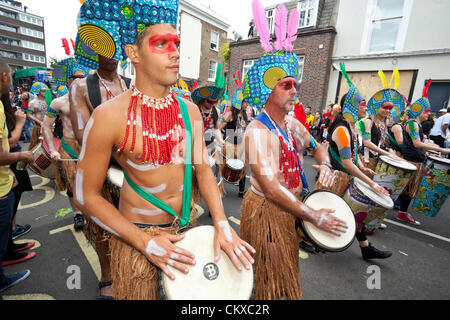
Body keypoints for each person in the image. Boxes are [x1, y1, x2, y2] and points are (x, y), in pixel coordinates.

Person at [74, 0, 254, 300]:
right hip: (137, 238)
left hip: (187, 236)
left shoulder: (190, 111)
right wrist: (145, 243)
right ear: (133, 53)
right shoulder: (107, 116)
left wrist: (222, 224)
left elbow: (203, 172)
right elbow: (84, 194)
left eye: (176, 43)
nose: (175, 52)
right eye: (161, 44)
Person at [240, 1, 346, 300]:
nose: (294, 90)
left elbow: (320, 147)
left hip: (291, 210)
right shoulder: (257, 132)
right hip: (268, 214)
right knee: (272, 282)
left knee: (284, 277)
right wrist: (314, 216)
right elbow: (272, 189)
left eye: (294, 84)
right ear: (267, 91)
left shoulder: (292, 123)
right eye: (286, 85)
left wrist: (324, 165)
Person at [69, 46, 131, 299]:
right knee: (103, 228)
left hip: (131, 171)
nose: (111, 54)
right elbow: (83, 133)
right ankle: (107, 276)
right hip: (102, 170)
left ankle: (129, 268)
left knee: (133, 223)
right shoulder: (82, 87)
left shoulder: (131, 84)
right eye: (106, 47)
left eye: (116, 47)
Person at [317, 62, 393, 261]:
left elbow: (354, 155)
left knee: (351, 211)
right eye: (362, 105)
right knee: (323, 211)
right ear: (351, 107)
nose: (366, 109)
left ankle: (365, 247)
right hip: (335, 178)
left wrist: (363, 169)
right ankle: (304, 237)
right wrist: (372, 184)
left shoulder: (352, 128)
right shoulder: (342, 130)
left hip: (344, 177)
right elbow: (347, 162)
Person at [0, 57, 35, 297]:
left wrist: (9, 170)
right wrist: (22, 154)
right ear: (4, 76)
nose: (12, 81)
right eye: (11, 76)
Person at [393, 80, 450, 225]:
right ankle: (380, 210)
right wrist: (442, 149)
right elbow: (417, 143)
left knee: (408, 191)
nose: (428, 114)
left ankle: (402, 213)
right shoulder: (412, 123)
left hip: (416, 162)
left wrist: (428, 154)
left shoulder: (416, 124)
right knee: (399, 189)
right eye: (426, 111)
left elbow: (418, 146)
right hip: (409, 162)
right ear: (419, 112)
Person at [42, 66, 88, 231]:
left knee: (93, 179)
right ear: (69, 81)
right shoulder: (58, 102)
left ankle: (92, 210)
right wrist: (52, 149)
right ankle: (77, 214)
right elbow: (46, 125)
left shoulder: (91, 99)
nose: (79, 80)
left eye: (82, 77)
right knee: (72, 180)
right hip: (69, 145)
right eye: (75, 77)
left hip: (88, 144)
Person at [215, 86, 250, 197]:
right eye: (245, 102)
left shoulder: (245, 115)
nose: (247, 104)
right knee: (222, 167)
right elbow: (218, 126)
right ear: (239, 102)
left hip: (240, 144)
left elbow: (244, 129)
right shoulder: (230, 114)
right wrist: (220, 137)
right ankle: (218, 189)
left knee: (243, 167)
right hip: (229, 143)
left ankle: (241, 191)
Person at [26, 83, 50, 151]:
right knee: (35, 146)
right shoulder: (33, 102)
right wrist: (40, 122)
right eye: (43, 91)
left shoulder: (49, 101)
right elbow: (28, 114)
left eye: (46, 91)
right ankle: (30, 159)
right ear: (38, 91)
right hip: (38, 128)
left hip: (48, 128)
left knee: (48, 147)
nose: (45, 92)